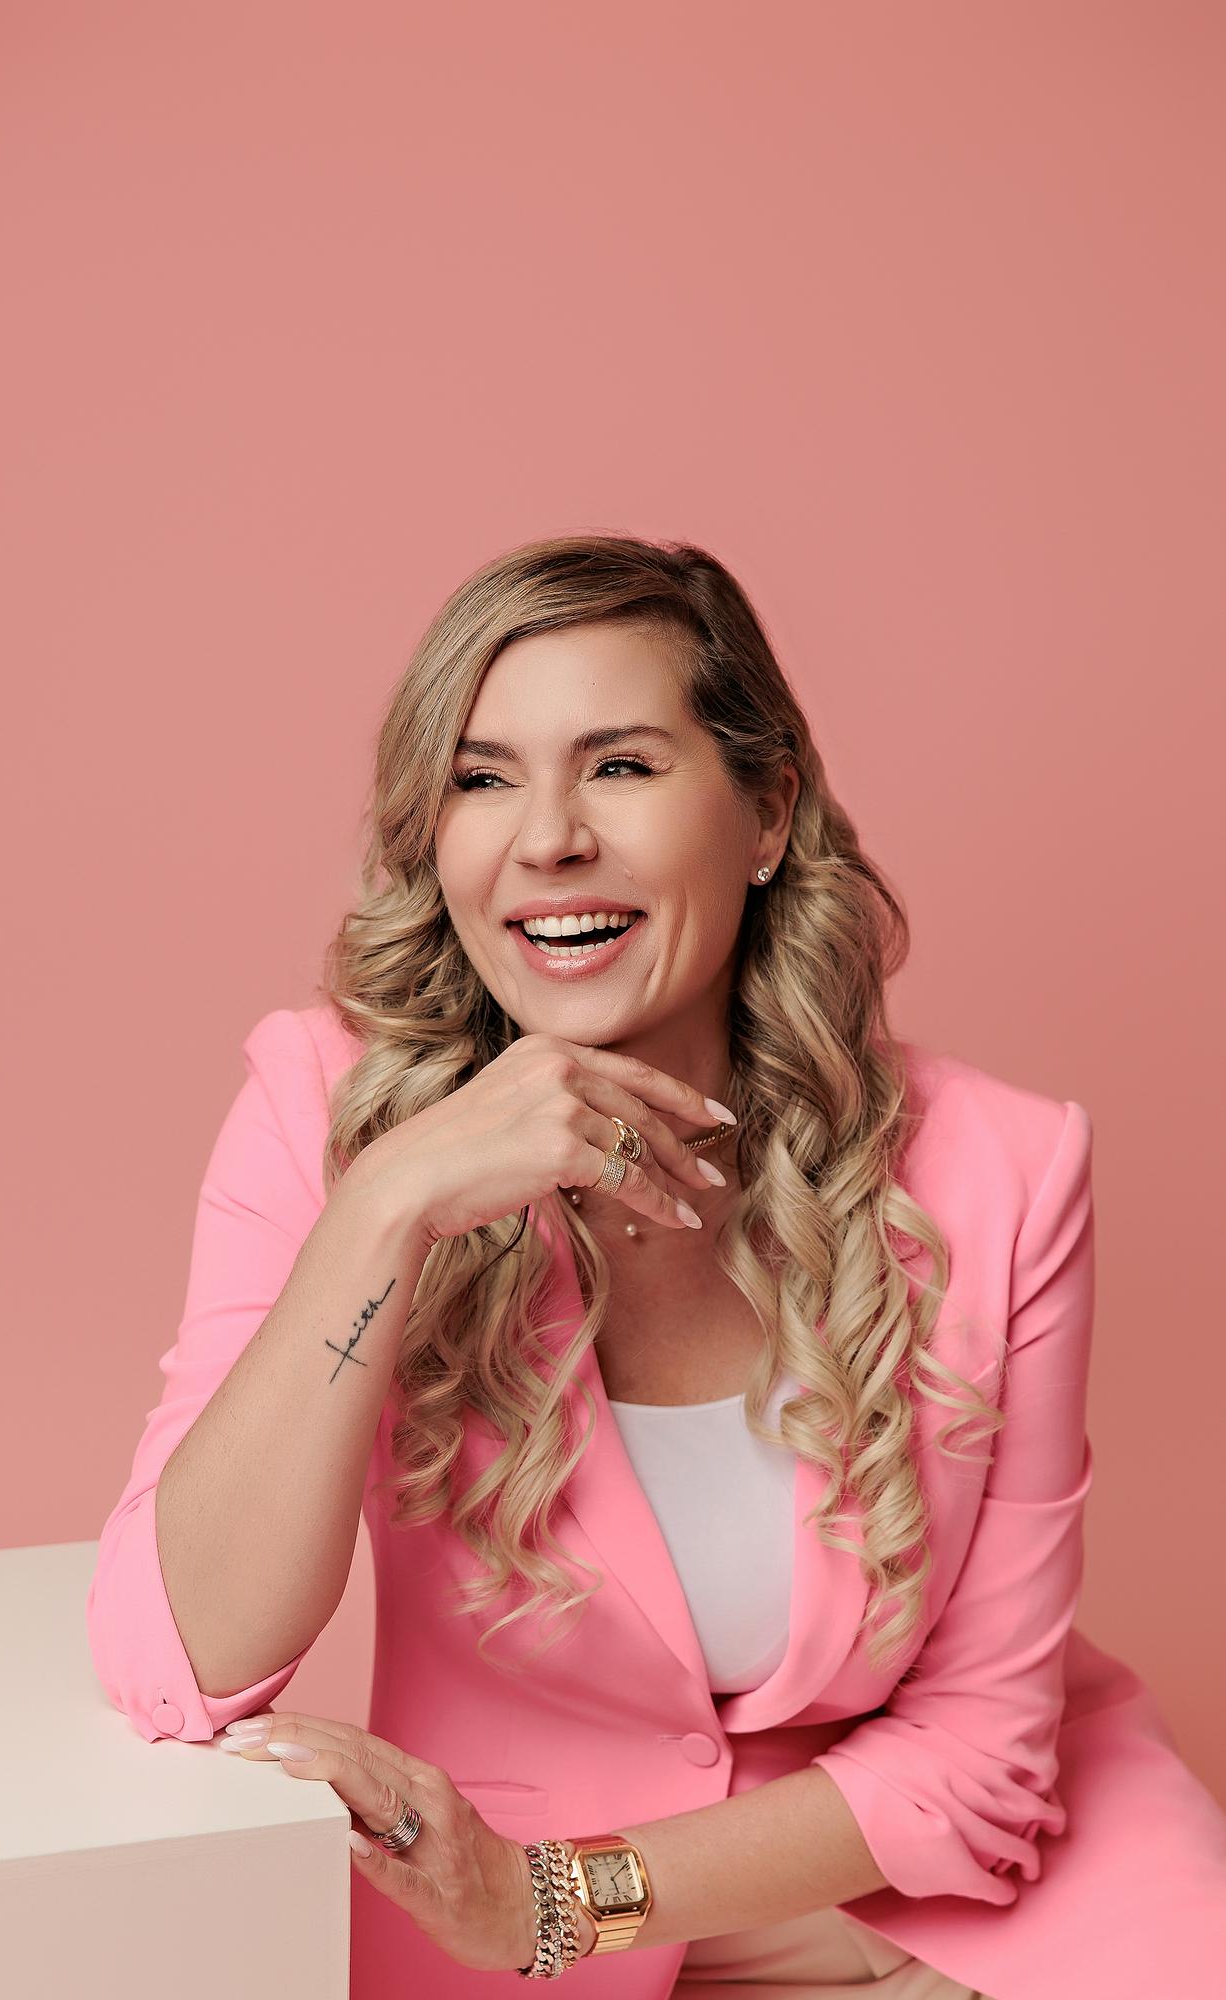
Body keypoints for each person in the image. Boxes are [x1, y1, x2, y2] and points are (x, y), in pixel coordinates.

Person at [87, 535, 1226, 1998]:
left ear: (765, 812)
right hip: (512, 1930)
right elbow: (183, 1661)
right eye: (481, 778)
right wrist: (382, 1212)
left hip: (948, 1888)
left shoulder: (1000, 1167)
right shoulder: (326, 1112)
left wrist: (568, 1897)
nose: (547, 837)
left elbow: (982, 1746)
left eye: (619, 766)